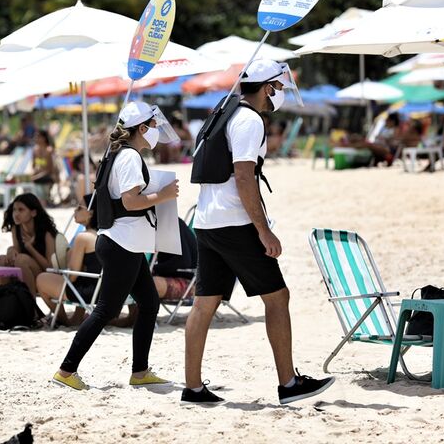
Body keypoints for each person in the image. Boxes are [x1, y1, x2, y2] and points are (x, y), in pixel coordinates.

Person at [184, 59, 334, 405]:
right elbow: (243, 176)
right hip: (234, 223)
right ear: (267, 87)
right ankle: (289, 384)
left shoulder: (222, 112)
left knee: (204, 303)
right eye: (278, 88)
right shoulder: (250, 120)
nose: (279, 95)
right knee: (277, 297)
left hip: (206, 220)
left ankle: (192, 388)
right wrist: (264, 231)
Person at [52, 101, 179, 391]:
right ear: (142, 128)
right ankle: (66, 370)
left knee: (148, 304)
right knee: (105, 310)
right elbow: (130, 201)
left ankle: (140, 371)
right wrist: (163, 194)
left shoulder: (116, 155)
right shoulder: (130, 157)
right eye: (154, 125)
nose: (157, 130)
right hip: (123, 244)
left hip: (122, 243)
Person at [36, 195, 100, 326]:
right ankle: (76, 318)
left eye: (79, 208)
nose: (74, 211)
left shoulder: (83, 238)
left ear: (90, 213)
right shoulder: (105, 235)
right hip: (104, 291)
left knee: (41, 279)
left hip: (89, 293)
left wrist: (65, 267)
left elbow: (72, 277)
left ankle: (64, 320)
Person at [0, 193, 57, 296]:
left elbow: (49, 267)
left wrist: (30, 247)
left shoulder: (46, 233)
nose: (16, 214)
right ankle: (6, 299)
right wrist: (11, 249)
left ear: (33, 213)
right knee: (1, 260)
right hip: (24, 271)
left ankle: (30, 307)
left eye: (21, 210)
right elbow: (17, 252)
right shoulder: (17, 228)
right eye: (14, 210)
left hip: (46, 276)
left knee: (21, 260)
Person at [32, 130, 56, 203]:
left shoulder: (49, 151)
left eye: (38, 137)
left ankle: (43, 201)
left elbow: (50, 170)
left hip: (49, 175)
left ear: (44, 138)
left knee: (35, 180)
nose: (36, 138)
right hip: (39, 175)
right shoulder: (35, 150)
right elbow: (33, 166)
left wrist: (36, 176)